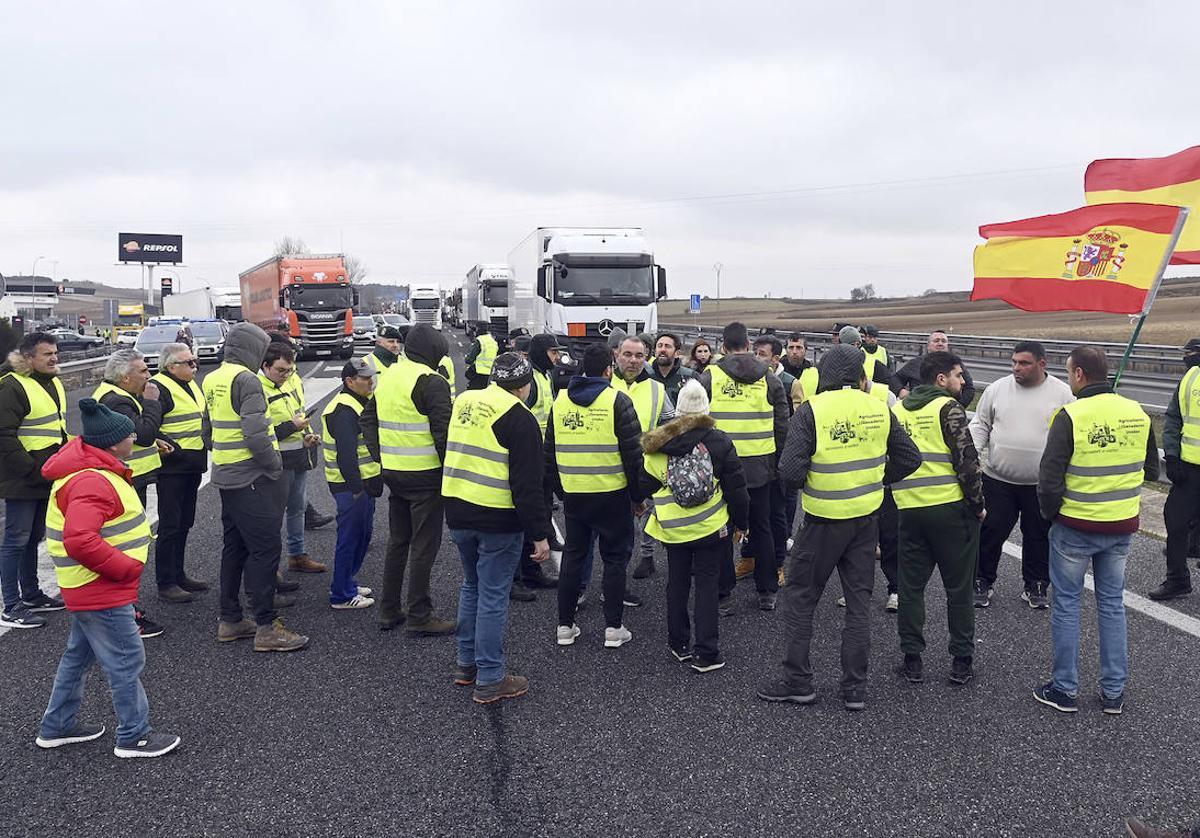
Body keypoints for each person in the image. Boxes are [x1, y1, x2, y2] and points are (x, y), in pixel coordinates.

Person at [756, 345, 920, 711]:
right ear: (862, 377)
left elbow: (791, 472)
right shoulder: (880, 408)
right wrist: (877, 479)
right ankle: (854, 689)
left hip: (822, 521)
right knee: (859, 605)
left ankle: (798, 680)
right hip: (866, 520)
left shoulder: (812, 411)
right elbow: (910, 458)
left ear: (824, 377)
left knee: (801, 598)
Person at [36, 399, 180, 758]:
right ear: (115, 443)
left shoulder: (89, 470)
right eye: (130, 434)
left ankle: (57, 726)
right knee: (126, 659)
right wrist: (125, 569)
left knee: (78, 656)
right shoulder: (92, 481)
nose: (135, 437)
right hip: (100, 585)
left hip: (86, 584)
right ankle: (134, 735)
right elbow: (80, 539)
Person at [1034, 346, 1158, 715]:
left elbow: (1049, 478)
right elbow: (1151, 470)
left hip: (1074, 525)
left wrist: (1050, 516)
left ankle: (1065, 688)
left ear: (1079, 375)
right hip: (1120, 525)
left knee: (1068, 605)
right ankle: (1114, 692)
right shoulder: (1137, 412)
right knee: (1112, 605)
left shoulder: (1070, 415)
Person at [443, 352, 551, 704]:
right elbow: (528, 485)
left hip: (458, 507)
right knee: (493, 594)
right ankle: (490, 677)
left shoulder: (465, 400)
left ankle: (466, 664)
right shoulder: (520, 419)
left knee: (471, 586)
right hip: (497, 518)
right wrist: (539, 534)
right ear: (525, 386)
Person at [204, 322, 308, 653]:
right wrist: (273, 464)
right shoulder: (246, 380)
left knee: (234, 547)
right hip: (252, 477)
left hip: (225, 474)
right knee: (264, 551)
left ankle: (231, 619)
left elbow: (207, 429)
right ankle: (267, 627)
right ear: (251, 349)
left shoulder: (213, 378)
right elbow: (256, 433)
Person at [639, 379, 749, 672]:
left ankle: (678, 644)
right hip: (711, 527)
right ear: (706, 408)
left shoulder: (658, 445)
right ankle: (706, 653)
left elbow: (642, 486)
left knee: (676, 583)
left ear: (678, 410)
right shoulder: (720, 441)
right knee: (707, 586)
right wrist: (742, 523)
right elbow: (737, 488)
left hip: (673, 529)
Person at [891, 351, 985, 686]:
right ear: (941, 379)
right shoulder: (948, 407)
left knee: (911, 587)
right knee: (958, 588)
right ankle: (961, 661)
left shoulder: (897, 409)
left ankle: (912, 660)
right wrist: (978, 505)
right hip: (949, 509)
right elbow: (966, 459)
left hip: (909, 510)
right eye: (958, 375)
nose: (962, 381)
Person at [547, 343, 644, 650]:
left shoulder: (560, 402)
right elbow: (634, 456)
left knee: (574, 556)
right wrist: (638, 496)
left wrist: (561, 490)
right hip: (612, 494)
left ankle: (565, 626)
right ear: (608, 370)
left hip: (575, 494)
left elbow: (548, 455)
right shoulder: (618, 400)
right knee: (614, 560)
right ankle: (613, 629)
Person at [361, 323, 456, 633]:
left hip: (395, 474)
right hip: (426, 476)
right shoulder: (431, 382)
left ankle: (389, 609)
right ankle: (419, 615)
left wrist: (380, 456)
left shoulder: (387, 378)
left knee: (398, 542)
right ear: (431, 353)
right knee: (424, 546)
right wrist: (452, 476)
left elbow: (368, 418)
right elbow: (444, 436)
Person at [969, 341, 1074, 609]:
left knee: (1038, 536)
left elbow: (1073, 434)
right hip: (998, 480)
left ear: (1042, 364)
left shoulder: (1063, 394)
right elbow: (981, 424)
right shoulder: (997, 389)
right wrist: (970, 456)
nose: (1017, 367)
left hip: (1040, 484)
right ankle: (982, 580)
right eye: (1014, 362)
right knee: (991, 532)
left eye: (1024, 363)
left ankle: (1036, 584)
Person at [699, 322, 789, 612]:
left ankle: (723, 594)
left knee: (722, 530)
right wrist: (778, 464)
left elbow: (696, 423)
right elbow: (782, 427)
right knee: (762, 527)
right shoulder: (770, 379)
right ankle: (767, 591)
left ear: (723, 347)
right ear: (749, 345)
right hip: (760, 468)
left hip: (719, 468)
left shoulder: (709, 376)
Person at [92, 349, 169, 638]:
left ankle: (122, 610)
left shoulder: (115, 395)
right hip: (124, 482)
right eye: (143, 371)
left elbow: (135, 435)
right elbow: (141, 435)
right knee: (123, 547)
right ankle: (124, 614)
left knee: (124, 545)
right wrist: (152, 403)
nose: (148, 377)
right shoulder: (117, 400)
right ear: (125, 377)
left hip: (128, 479)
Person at [0, 332, 67, 629]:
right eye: (46, 354)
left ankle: (32, 594)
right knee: (15, 540)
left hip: (46, 474)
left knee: (32, 538)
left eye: (55, 352)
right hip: (23, 477)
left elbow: (57, 429)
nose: (54, 358)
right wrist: (31, 469)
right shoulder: (12, 386)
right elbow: (4, 435)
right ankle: (10, 605)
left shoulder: (51, 382)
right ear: (28, 358)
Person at [259, 341, 327, 586]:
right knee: (273, 516)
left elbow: (297, 414)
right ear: (265, 366)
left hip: (298, 452)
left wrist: (306, 434)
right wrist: (293, 428)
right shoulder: (257, 389)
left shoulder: (288, 381)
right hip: (276, 461)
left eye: (289, 370)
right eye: (280, 370)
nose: (286, 375)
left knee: (298, 508)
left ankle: (297, 555)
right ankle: (272, 566)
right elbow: (260, 434)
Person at [150, 342, 212, 605]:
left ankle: (179, 574)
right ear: (171, 366)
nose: (194, 366)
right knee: (170, 525)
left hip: (192, 464)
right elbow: (151, 425)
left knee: (185, 522)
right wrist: (171, 449)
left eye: (194, 361)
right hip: (172, 468)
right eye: (189, 363)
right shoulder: (158, 387)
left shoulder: (189, 384)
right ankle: (166, 582)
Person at [611, 336, 673, 590]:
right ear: (616, 355)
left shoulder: (657, 389)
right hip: (610, 469)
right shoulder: (606, 384)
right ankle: (613, 584)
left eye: (639, 356)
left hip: (644, 467)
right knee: (615, 533)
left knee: (648, 516)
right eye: (628, 354)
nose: (633, 361)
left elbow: (670, 423)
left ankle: (647, 556)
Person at [321, 359, 383, 610]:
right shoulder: (344, 410)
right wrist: (357, 488)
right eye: (364, 378)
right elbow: (346, 455)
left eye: (371, 377)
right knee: (350, 538)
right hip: (351, 487)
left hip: (361, 483)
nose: (370, 381)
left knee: (361, 536)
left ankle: (346, 581)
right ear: (349, 381)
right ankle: (341, 595)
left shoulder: (358, 402)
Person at [1150, 337, 1200, 600]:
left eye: (1192, 353)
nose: (1187, 357)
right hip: (1189, 470)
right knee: (1176, 521)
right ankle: (1178, 579)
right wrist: (1172, 455)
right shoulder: (1189, 379)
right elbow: (1173, 419)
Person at [893, 330, 976, 408]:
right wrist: (901, 391)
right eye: (936, 341)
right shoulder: (915, 363)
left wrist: (958, 406)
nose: (940, 344)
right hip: (919, 409)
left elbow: (969, 388)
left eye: (943, 341)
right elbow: (895, 379)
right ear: (928, 346)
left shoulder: (955, 365)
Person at [754, 334, 801, 411]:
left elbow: (797, 416)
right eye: (755, 354)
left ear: (776, 359)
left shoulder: (792, 384)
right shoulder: (748, 379)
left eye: (762, 354)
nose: (756, 358)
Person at [648, 332, 697, 404]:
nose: (663, 349)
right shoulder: (645, 376)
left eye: (667, 346)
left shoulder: (690, 377)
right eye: (660, 346)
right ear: (654, 351)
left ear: (677, 353)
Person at [780, 333, 818, 402]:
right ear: (785, 350)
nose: (794, 352)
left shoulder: (814, 372)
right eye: (791, 347)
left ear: (805, 350)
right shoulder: (777, 371)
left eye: (798, 347)